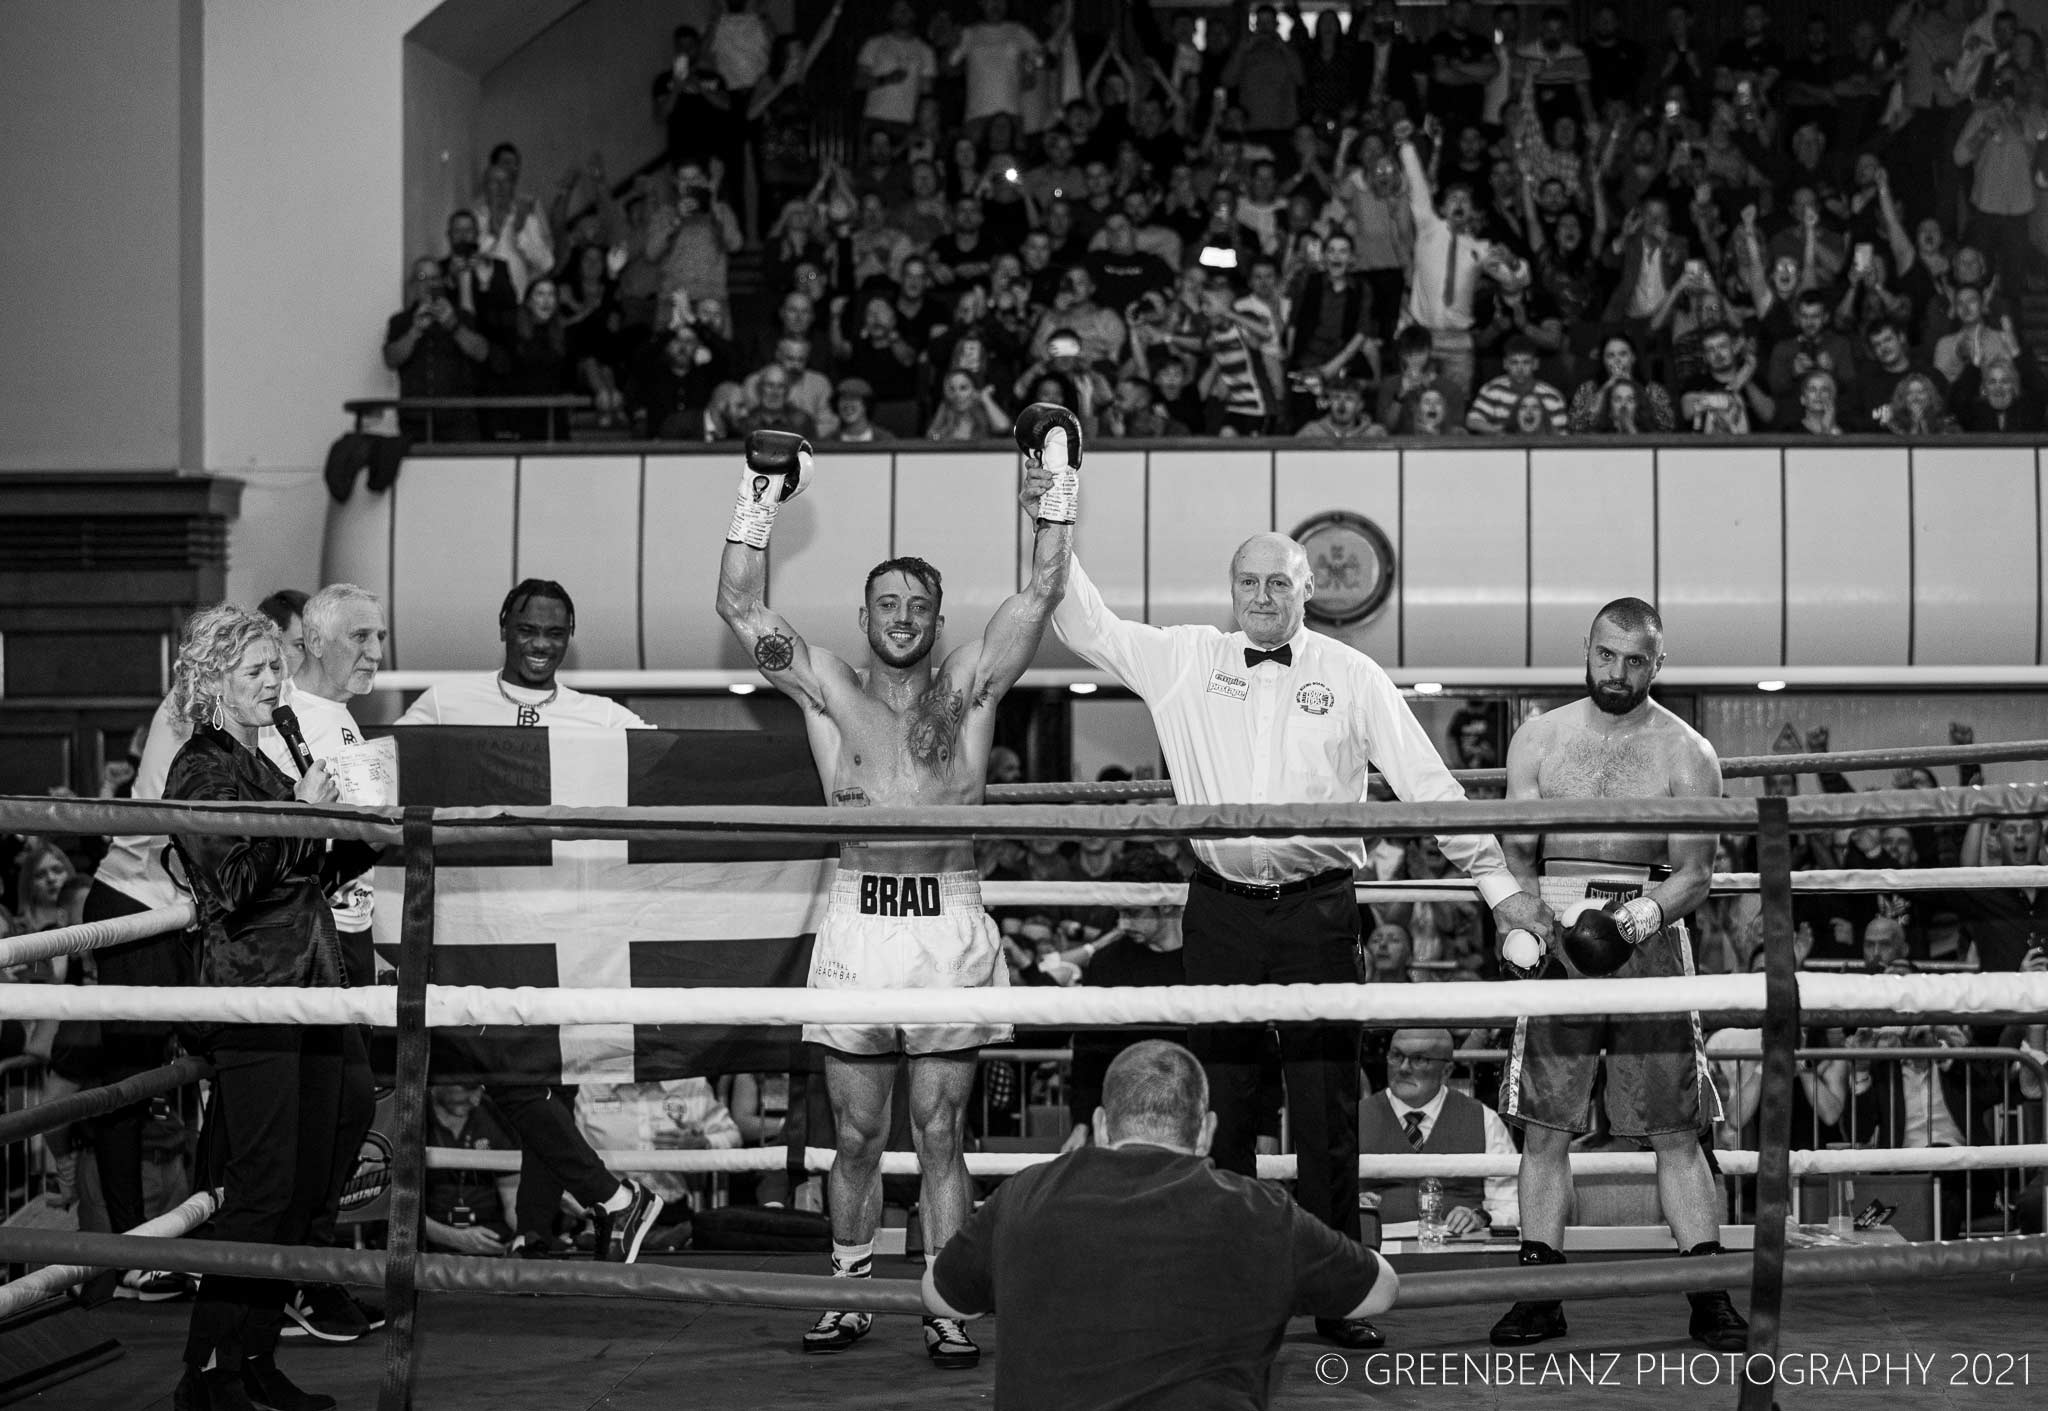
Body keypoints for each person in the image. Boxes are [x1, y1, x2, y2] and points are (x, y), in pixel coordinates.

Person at [1050, 524, 1550, 1350]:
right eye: (1248, 581)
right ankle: (1234, 1292)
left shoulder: (1352, 676)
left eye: (1279, 582)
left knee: (1326, 1117)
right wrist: (1051, 515)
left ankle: (1336, 1293)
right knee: (1225, 1108)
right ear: (1231, 586)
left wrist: (1497, 889)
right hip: (1220, 909)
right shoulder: (1184, 658)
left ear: (1308, 586)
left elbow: (1428, 786)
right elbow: (1083, 622)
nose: (1262, 596)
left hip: (1320, 910)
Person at [713, 411, 1077, 1368]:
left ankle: (947, 1302)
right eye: (888, 603)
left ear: (938, 617)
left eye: (918, 602)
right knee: (860, 1134)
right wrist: (761, 492)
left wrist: (1056, 474)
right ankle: (847, 1294)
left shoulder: (972, 686)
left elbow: (1043, 587)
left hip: (949, 916)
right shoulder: (828, 685)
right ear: (866, 616)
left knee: (942, 1130)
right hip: (860, 917)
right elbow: (740, 610)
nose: (904, 616)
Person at [1492, 597, 1749, 1353]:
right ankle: (1539, 1296)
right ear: (1588, 648)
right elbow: (1516, 851)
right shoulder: (1540, 736)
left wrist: (1635, 918)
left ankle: (1708, 1293)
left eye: (1636, 660)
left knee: (1674, 1124)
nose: (1618, 671)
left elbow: (1696, 873)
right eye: (1607, 654)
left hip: (1650, 927)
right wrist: (1525, 920)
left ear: (1658, 664)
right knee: (1545, 1123)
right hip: (1556, 922)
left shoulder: (1686, 751)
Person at [393, 580, 665, 1260]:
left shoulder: (601, 717)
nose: (541, 644)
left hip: (565, 924)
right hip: (477, 923)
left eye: (555, 633)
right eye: (529, 630)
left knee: (548, 1078)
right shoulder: (445, 705)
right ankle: (613, 1197)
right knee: (507, 1075)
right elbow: (388, 774)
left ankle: (539, 1230)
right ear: (504, 627)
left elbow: (674, 771)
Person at [924, 1040, 1397, 1411]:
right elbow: (1381, 1290)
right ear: (1207, 1129)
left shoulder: (1025, 1193)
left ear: (1102, 1124)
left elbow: (938, 1296)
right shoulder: (1258, 1208)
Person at [160, 603, 359, 1411]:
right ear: (212, 683)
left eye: (276, 666)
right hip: (256, 993)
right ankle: (209, 1372)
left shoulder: (266, 759)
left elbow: (302, 869)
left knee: (304, 1182)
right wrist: (305, 817)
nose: (275, 681)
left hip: (306, 988)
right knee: (263, 1187)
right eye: (255, 671)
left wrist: (355, 824)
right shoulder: (201, 768)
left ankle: (255, 1357)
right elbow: (232, 888)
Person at [255, 584, 386, 1344]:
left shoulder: (340, 720)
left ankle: (308, 1263)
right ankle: (296, 1270)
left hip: (351, 933)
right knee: (329, 1107)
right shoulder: (288, 721)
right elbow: (285, 844)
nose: (375, 650)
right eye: (362, 636)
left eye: (380, 636)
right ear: (315, 640)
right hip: (305, 941)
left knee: (346, 1106)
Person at [1360, 1026, 1520, 1263]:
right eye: (1396, 1056)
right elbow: (1324, 1200)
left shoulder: (1484, 1119)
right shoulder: (1353, 1120)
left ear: (1446, 1071)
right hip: (1372, 1259)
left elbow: (1512, 1204)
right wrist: (1352, 1206)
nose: (1403, 1068)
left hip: (1464, 1259)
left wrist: (1481, 1217)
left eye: (1419, 1060)